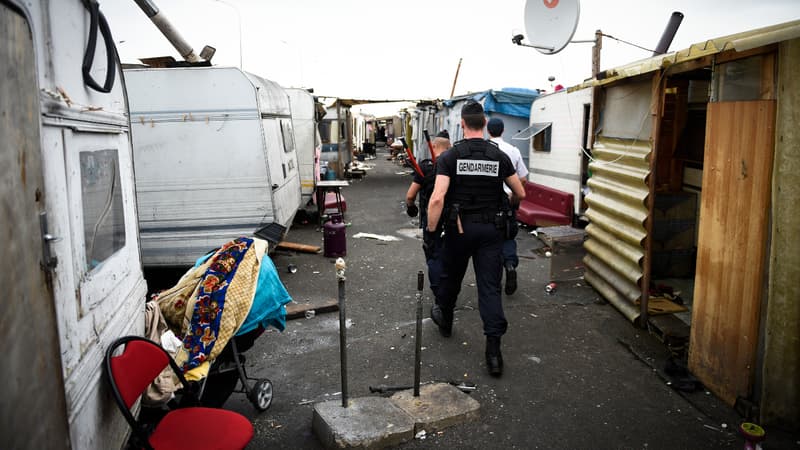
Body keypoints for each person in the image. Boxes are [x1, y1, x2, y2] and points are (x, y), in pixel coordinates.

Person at [426, 101, 525, 377]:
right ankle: (494, 354)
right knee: (490, 289)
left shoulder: (451, 157)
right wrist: (511, 205)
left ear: (462, 125)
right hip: (491, 232)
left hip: (459, 230)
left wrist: (432, 233)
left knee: (450, 278)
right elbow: (520, 192)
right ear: (484, 124)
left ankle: (445, 319)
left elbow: (437, 198)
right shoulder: (499, 157)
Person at [405, 130, 451, 300]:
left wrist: (411, 207)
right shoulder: (454, 166)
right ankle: (447, 290)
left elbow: (411, 195)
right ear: (450, 146)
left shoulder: (425, 167)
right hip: (453, 218)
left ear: (432, 146)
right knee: (451, 255)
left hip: (431, 218)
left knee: (433, 253)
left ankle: (439, 293)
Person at [486, 117, 528, 296]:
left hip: (488, 203)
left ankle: (493, 277)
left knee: (490, 241)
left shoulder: (485, 150)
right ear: (503, 131)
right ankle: (510, 264)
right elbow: (523, 178)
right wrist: (514, 195)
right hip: (508, 202)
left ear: (488, 131)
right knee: (508, 236)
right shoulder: (513, 151)